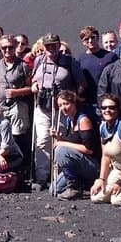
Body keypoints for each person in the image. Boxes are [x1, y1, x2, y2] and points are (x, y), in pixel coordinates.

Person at [31, 33, 86, 187]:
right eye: (48, 45)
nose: (51, 48)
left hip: (62, 109)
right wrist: (34, 86)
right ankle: (41, 177)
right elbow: (34, 79)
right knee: (42, 141)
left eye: (54, 45)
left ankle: (60, 176)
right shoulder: (39, 60)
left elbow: (82, 83)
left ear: (59, 45)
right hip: (42, 107)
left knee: (60, 140)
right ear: (44, 47)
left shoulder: (69, 62)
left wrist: (72, 99)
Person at [50, 90, 100, 200]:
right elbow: (73, 144)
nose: (63, 108)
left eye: (66, 104)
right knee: (54, 189)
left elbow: (88, 149)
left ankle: (74, 187)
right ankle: (83, 184)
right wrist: (59, 138)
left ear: (74, 103)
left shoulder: (83, 121)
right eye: (60, 105)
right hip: (80, 162)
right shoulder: (69, 120)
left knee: (60, 150)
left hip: (93, 164)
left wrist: (62, 143)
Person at [0, 34, 33, 173]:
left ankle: (23, 168)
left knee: (18, 137)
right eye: (4, 47)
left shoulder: (23, 66)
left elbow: (32, 88)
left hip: (18, 107)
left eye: (10, 47)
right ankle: (9, 169)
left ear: (15, 46)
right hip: (1, 107)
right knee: (4, 139)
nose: (7, 50)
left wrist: (17, 92)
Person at [76, 26, 117, 122]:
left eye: (93, 37)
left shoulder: (110, 57)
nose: (90, 41)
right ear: (83, 42)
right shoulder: (80, 59)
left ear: (97, 38)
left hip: (106, 104)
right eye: (86, 39)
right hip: (87, 104)